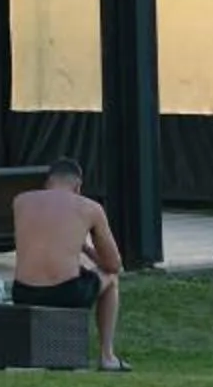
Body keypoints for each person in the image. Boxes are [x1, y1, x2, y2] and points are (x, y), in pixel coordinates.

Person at [10, 157, 127, 372]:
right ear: (78, 187)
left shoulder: (21, 201)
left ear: (47, 183)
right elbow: (113, 264)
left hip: (22, 292)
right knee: (111, 279)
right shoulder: (91, 207)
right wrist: (86, 248)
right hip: (65, 293)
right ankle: (107, 356)